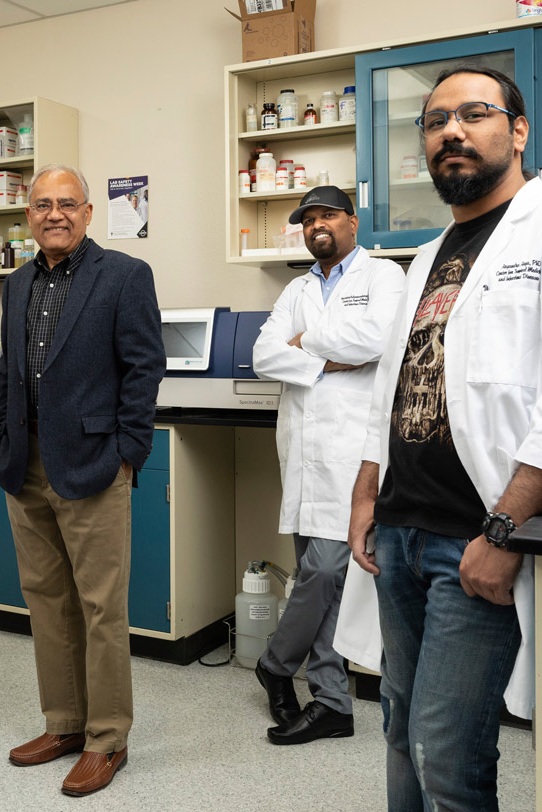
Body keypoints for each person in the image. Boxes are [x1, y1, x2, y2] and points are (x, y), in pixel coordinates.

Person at [348, 66, 541, 811]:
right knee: (399, 730)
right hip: (399, 531)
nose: (452, 131)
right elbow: (391, 386)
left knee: (445, 751)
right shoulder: (429, 255)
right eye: (435, 122)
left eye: (475, 114)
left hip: (477, 537)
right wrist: (366, 494)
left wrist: (505, 528)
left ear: (517, 131)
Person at [0, 164, 165, 797]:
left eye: (67, 203)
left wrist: (128, 453)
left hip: (93, 462)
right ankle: (64, 723)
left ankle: (107, 738)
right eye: (41, 205)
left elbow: (144, 368)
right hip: (24, 462)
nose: (54, 214)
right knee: (46, 601)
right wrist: (2, 441)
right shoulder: (16, 283)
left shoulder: (122, 276)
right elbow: (12, 370)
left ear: (88, 213)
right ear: (28, 215)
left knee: (100, 609)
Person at [252, 187, 405, 745]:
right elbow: (264, 355)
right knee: (324, 585)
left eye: (327, 216)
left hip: (354, 451)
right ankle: (333, 703)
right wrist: (326, 361)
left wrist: (305, 343)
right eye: (308, 219)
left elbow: (378, 340)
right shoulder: (296, 287)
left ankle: (275, 660)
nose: (317, 226)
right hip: (302, 450)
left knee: (326, 569)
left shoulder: (383, 277)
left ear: (352, 220)